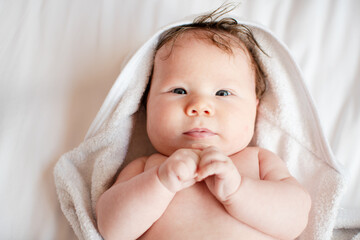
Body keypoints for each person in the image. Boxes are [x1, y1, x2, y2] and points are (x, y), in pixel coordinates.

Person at [95, 7, 311, 240]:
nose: (199, 106)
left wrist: (238, 190)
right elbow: (112, 230)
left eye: (223, 93)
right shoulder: (146, 168)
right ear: (145, 103)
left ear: (254, 108)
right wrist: (161, 182)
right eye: (179, 90)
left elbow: (296, 220)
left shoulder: (258, 161)